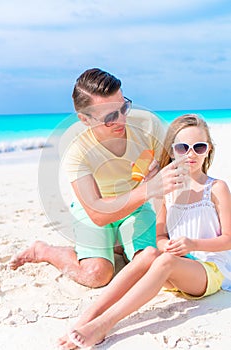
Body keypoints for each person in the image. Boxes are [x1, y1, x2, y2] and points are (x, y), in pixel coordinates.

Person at [58, 114, 231, 349]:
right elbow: (160, 237)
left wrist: (193, 244)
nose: (190, 154)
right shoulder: (167, 190)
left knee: (165, 261)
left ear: (208, 150)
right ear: (171, 150)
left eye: (198, 147)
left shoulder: (217, 187)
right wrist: (164, 245)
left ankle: (104, 325)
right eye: (182, 148)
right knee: (149, 253)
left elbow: (228, 240)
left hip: (211, 271)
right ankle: (88, 317)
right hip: (179, 264)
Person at [10, 68, 187, 288]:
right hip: (94, 210)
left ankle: (119, 245)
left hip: (137, 207)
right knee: (96, 275)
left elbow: (178, 173)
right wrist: (149, 189)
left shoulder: (148, 126)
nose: (122, 120)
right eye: (110, 117)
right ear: (85, 119)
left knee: (148, 265)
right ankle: (44, 250)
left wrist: (159, 180)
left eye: (124, 108)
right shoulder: (76, 150)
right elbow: (97, 214)